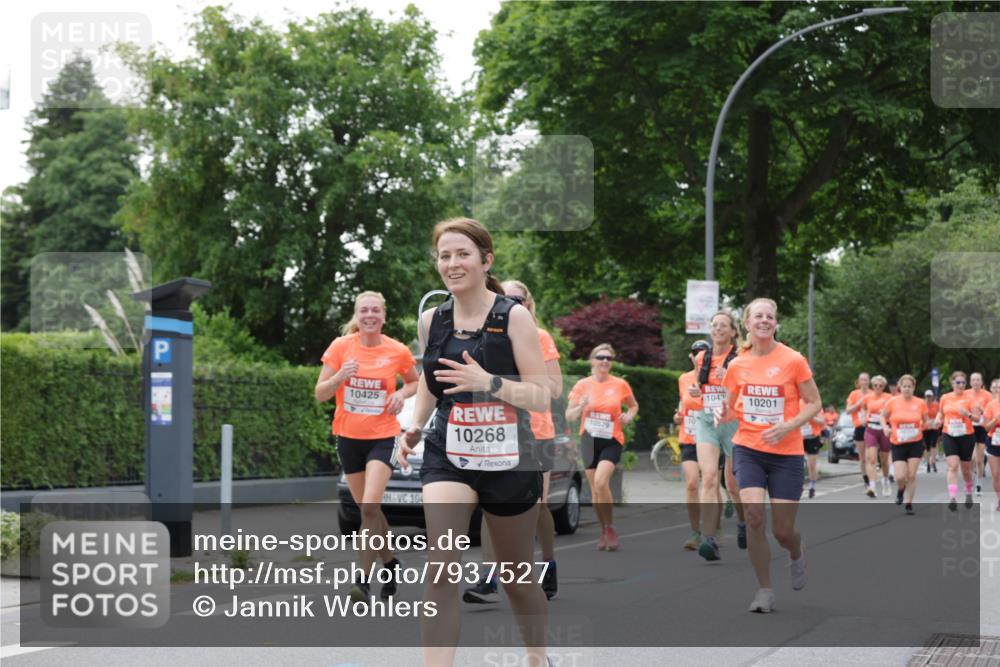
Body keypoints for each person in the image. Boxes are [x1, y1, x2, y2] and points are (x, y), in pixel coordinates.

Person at [397, 217, 550, 667]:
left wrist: (489, 382)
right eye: (444, 255)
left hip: (510, 457)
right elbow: (433, 382)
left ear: (486, 260)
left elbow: (541, 395)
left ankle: (537, 657)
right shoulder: (432, 320)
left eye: (462, 254)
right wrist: (416, 425)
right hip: (449, 452)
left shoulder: (513, 317)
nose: (452, 263)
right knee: (441, 566)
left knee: (515, 576)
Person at [463, 279, 564, 604]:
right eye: (506, 298)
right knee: (492, 503)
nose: (511, 304)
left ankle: (548, 564)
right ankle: (489, 578)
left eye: (518, 300)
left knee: (538, 507)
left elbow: (555, 389)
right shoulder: (486, 335)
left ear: (528, 304)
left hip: (537, 431)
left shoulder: (540, 336)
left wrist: (520, 380)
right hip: (499, 429)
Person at [315, 291, 419, 601]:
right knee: (368, 510)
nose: (370, 315)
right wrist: (340, 377)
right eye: (364, 311)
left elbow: (414, 381)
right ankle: (390, 563)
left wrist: (401, 394)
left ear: (383, 316)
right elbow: (320, 393)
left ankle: (361, 580)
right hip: (348, 438)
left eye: (375, 310)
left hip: (383, 437)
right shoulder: (341, 347)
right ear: (357, 316)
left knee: (370, 507)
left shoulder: (397, 350)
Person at [721, 298, 821, 613]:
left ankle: (796, 551)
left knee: (782, 531)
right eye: (758, 316)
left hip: (786, 453)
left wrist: (788, 426)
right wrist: (720, 413)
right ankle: (764, 590)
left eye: (770, 316)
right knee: (753, 516)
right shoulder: (737, 365)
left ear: (775, 323)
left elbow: (814, 402)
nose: (764, 320)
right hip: (748, 448)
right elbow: (729, 409)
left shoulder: (793, 360)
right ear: (747, 324)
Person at [686, 311, 746, 561]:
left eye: (723, 325)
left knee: (733, 484)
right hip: (706, 419)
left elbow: (748, 389)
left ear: (733, 331)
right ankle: (709, 538)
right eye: (714, 325)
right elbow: (699, 387)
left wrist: (730, 380)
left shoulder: (741, 357)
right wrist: (696, 392)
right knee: (709, 477)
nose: (718, 328)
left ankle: (743, 522)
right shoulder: (703, 357)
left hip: (732, 422)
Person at [566, 344, 639, 551]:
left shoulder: (620, 384)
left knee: (600, 482)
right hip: (589, 441)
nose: (605, 361)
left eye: (609, 358)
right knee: (595, 490)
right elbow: (569, 415)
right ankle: (604, 530)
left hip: (611, 439)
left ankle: (610, 527)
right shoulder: (582, 385)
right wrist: (581, 406)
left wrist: (628, 416)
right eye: (600, 357)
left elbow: (633, 405)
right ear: (592, 360)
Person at [676, 340, 711, 550]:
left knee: (709, 483)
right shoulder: (684, 378)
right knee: (691, 483)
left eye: (703, 352)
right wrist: (678, 414)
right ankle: (695, 532)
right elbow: (683, 401)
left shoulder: (716, 377)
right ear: (691, 356)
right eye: (696, 352)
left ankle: (712, 528)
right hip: (689, 436)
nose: (699, 355)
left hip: (710, 438)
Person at [881, 375, 930, 515]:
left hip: (915, 443)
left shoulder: (920, 403)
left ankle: (909, 503)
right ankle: (901, 488)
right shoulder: (892, 402)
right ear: (900, 388)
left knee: (912, 475)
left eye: (909, 386)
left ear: (913, 387)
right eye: (904, 386)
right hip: (898, 443)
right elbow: (882, 417)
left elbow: (926, 421)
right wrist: (885, 428)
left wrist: (924, 426)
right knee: (900, 477)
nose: (907, 389)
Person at [935, 371, 982, 512]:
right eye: (958, 382)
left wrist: (967, 414)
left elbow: (977, 418)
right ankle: (953, 498)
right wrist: (938, 419)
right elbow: (941, 413)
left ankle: (968, 492)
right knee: (953, 466)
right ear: (952, 383)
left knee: (966, 469)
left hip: (966, 436)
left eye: (963, 383)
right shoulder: (945, 397)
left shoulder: (970, 398)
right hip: (949, 434)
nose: (961, 385)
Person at [862, 376, 893, 498]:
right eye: (875, 385)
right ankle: (872, 487)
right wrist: (864, 417)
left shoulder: (889, 398)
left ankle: (885, 481)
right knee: (872, 459)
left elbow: (892, 411)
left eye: (881, 386)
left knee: (884, 461)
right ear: (872, 386)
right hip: (871, 429)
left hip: (884, 429)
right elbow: (864, 409)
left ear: (884, 387)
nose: (878, 387)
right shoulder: (867, 397)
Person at [846, 373, 872, 492]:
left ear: (869, 381)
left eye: (866, 380)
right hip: (859, 427)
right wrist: (859, 403)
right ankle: (865, 478)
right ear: (859, 381)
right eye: (862, 380)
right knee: (862, 458)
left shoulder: (873, 394)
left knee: (869, 456)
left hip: (871, 427)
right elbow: (848, 410)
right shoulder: (854, 394)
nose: (864, 382)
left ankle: (871, 478)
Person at [969, 372, 991, 495]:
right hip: (969, 427)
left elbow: (990, 412)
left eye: (978, 380)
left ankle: (979, 483)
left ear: (981, 382)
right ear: (970, 382)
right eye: (973, 380)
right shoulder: (966, 394)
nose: (976, 382)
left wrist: (981, 409)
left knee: (979, 459)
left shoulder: (987, 395)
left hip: (982, 427)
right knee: (971, 458)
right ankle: (970, 479)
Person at [801, 398, 826, 499]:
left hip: (813, 437)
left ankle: (812, 487)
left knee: (811, 465)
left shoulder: (816, 404)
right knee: (798, 463)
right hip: (800, 438)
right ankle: (800, 485)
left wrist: (811, 417)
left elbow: (822, 422)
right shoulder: (798, 402)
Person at [982, 378, 1000, 511]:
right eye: (998, 387)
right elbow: (986, 427)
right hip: (993, 441)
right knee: (996, 474)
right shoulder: (990, 405)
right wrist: (996, 419)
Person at [922, 390, 940, 473]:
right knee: (927, 447)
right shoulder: (922, 405)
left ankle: (933, 462)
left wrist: (937, 421)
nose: (928, 398)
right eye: (927, 396)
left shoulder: (936, 405)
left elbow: (939, 414)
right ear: (925, 397)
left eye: (930, 396)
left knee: (933, 445)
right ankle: (928, 463)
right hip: (925, 428)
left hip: (934, 427)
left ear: (932, 397)